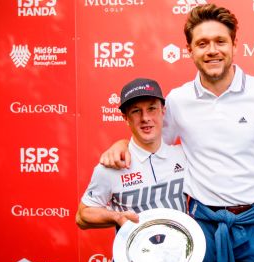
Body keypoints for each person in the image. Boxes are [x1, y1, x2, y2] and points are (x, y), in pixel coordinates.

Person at [100, 4, 254, 262]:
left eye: (220, 41)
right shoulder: (178, 100)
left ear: (234, 45)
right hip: (201, 226)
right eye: (202, 43)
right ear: (190, 51)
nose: (212, 50)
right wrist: (122, 143)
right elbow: (152, 145)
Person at [76, 78, 187, 231]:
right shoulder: (111, 165)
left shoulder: (184, 155)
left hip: (179, 252)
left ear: (163, 111)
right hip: (133, 253)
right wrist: (116, 217)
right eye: (136, 111)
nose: (145, 118)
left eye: (152, 108)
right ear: (126, 118)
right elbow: (82, 216)